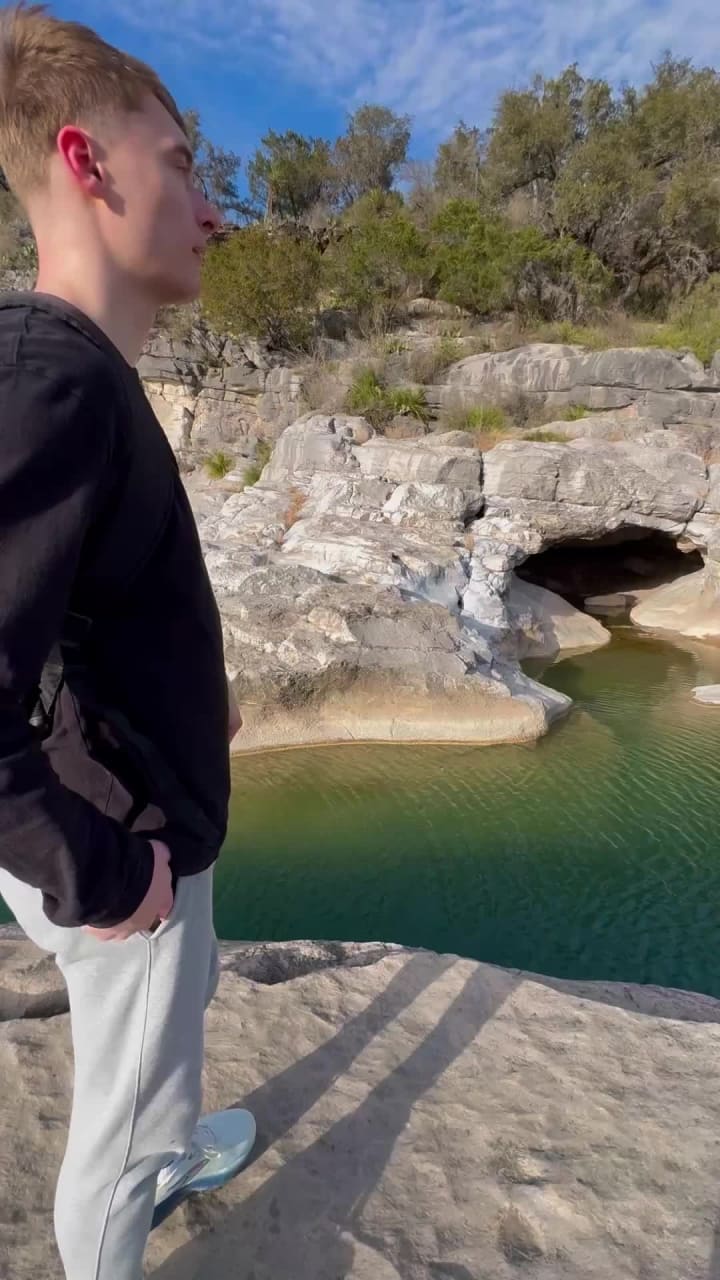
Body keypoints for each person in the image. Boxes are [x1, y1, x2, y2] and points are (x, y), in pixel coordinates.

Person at [0, 4, 254, 1277]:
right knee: (113, 1134)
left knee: (179, 1008)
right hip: (123, 848)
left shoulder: (85, 374)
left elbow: (82, 597)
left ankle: (178, 1131)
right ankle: (132, 1191)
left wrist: (199, 698)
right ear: (88, 161)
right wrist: (93, 870)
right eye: (185, 163)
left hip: (150, 801)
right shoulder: (50, 377)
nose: (213, 209)